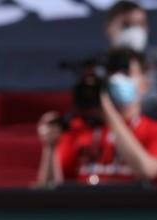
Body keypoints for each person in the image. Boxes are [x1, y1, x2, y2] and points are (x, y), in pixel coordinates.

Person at [37, 48, 157, 186]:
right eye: (111, 73)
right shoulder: (77, 128)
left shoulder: (153, 130)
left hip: (134, 200)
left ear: (144, 84)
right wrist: (49, 147)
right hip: (85, 199)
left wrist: (107, 109)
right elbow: (50, 188)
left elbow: (147, 171)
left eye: (126, 73)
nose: (116, 79)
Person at [105, 0, 157, 119]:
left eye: (140, 24)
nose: (135, 30)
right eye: (126, 25)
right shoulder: (97, 68)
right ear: (108, 28)